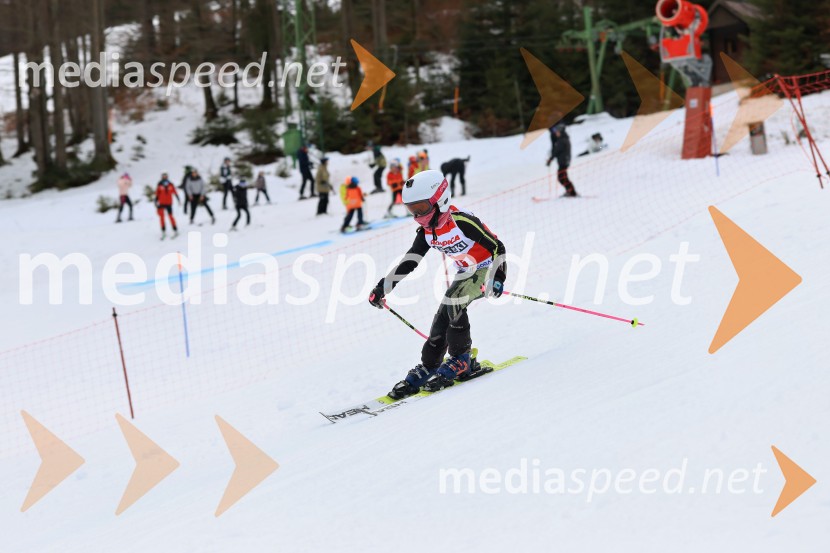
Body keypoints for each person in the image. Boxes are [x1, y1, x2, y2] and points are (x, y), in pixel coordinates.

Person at [368, 169, 507, 398]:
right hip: (465, 271)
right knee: (443, 314)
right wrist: (383, 287)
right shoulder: (427, 231)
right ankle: (430, 365)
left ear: (440, 200)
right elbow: (410, 260)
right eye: (412, 210)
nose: (417, 215)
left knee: (454, 301)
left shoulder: (461, 221)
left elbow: (497, 247)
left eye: (421, 208)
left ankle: (461, 359)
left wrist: (498, 278)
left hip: (487, 268)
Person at [546, 123, 578, 197]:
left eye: (557, 132)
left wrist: (550, 160)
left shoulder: (562, 140)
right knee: (563, 177)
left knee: (562, 178)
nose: (556, 133)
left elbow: (556, 152)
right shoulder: (563, 139)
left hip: (563, 162)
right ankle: (570, 191)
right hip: (564, 161)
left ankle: (572, 192)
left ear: (560, 132)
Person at [155, 172, 180, 239]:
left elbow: (175, 192)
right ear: (161, 176)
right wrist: (156, 201)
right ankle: (163, 231)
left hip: (169, 203)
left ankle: (175, 229)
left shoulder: (170, 184)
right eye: (163, 176)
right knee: (162, 217)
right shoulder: (159, 184)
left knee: (171, 216)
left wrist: (178, 199)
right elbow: (157, 194)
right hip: (161, 203)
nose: (164, 177)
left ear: (167, 176)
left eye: (165, 175)